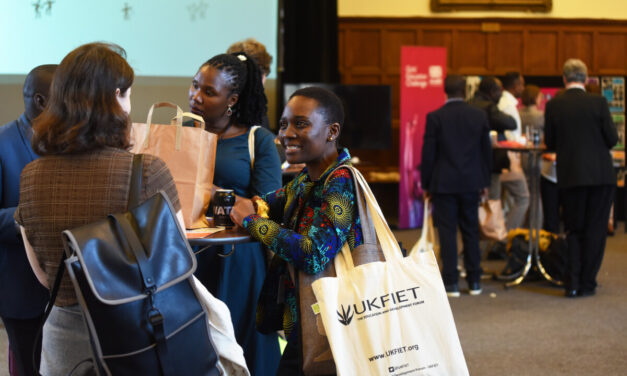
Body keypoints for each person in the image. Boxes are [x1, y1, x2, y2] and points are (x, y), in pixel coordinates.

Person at [14, 42, 182, 375]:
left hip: (64, 342)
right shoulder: (147, 171)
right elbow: (175, 260)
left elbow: (45, 275)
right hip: (137, 336)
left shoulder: (31, 176)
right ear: (118, 95)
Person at [230, 86, 359, 375]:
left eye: (300, 124)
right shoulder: (309, 178)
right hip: (311, 317)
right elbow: (271, 202)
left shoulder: (340, 182)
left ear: (332, 131)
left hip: (334, 318)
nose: (286, 133)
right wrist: (248, 204)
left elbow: (313, 254)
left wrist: (251, 221)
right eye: (284, 124)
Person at [188, 52, 282, 375]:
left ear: (233, 99)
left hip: (237, 260)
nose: (196, 97)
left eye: (209, 92)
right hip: (186, 256)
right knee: (193, 343)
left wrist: (210, 192)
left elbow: (266, 207)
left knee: (241, 344)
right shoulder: (181, 134)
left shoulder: (259, 141)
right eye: (194, 85)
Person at [544, 58, 618, 298]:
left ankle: (572, 283)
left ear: (564, 79)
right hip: (600, 175)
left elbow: (551, 142)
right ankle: (588, 282)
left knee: (574, 229)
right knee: (595, 230)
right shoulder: (599, 102)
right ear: (586, 79)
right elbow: (611, 138)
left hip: (571, 174)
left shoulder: (554, 105)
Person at [0, 64, 56, 376]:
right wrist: (30, 217)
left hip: (66, 290)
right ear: (41, 101)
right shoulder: (3, 143)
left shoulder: (70, 143)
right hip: (19, 289)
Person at [421, 75, 492, 297]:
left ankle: (451, 283)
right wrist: (485, 182)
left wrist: (426, 184)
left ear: (445, 91)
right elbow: (485, 153)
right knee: (471, 231)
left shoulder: (435, 117)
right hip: (472, 182)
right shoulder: (479, 115)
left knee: (448, 233)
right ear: (465, 91)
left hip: (443, 184)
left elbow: (428, 154)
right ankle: (475, 281)